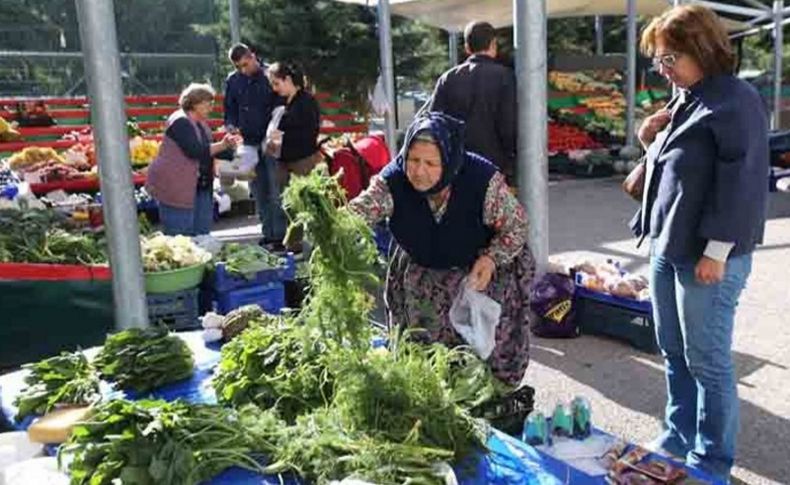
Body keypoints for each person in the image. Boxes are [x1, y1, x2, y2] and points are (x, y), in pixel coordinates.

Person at [634, 5, 769, 481]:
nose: (664, 70)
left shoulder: (736, 99)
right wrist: (647, 137)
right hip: (670, 247)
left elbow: (743, 181)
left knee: (708, 362)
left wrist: (717, 250)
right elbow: (678, 166)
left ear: (702, 48)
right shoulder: (690, 96)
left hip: (707, 257)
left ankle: (711, 459)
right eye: (659, 61)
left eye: (669, 59)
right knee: (673, 351)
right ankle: (677, 435)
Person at [349, 112, 535, 387]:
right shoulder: (393, 182)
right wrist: (333, 224)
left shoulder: (480, 181)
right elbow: (359, 212)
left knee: (484, 354)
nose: (419, 171)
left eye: (430, 163)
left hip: (480, 274)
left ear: (448, 161)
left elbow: (516, 225)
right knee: (423, 357)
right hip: (423, 275)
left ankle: (494, 399)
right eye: (413, 160)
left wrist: (492, 258)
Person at [425, 21, 517, 184]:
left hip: (457, 165)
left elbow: (434, 124)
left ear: (467, 48)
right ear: (493, 44)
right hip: (493, 164)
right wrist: (511, 160)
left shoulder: (448, 78)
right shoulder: (505, 77)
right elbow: (508, 125)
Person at [146, 83, 239, 236]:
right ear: (196, 104)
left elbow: (207, 149)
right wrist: (222, 145)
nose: (211, 108)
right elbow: (195, 151)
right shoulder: (180, 121)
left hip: (200, 185)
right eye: (208, 104)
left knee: (202, 234)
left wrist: (231, 149)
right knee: (181, 237)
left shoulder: (200, 123)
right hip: (176, 186)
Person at [223, 43, 286, 248]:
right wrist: (231, 125)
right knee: (258, 190)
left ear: (253, 56)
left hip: (271, 139)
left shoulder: (270, 75)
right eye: (239, 67)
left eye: (246, 64)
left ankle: (281, 236)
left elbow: (281, 104)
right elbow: (229, 108)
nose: (244, 69)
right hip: (248, 141)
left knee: (276, 188)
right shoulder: (233, 81)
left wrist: (274, 133)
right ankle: (267, 233)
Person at [266, 62, 321, 251]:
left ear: (288, 79)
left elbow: (307, 132)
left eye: (276, 83)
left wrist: (281, 134)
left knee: (306, 205)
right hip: (284, 160)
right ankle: (294, 245)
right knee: (289, 206)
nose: (274, 89)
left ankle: (311, 246)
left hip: (302, 160)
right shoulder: (283, 102)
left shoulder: (306, 101)